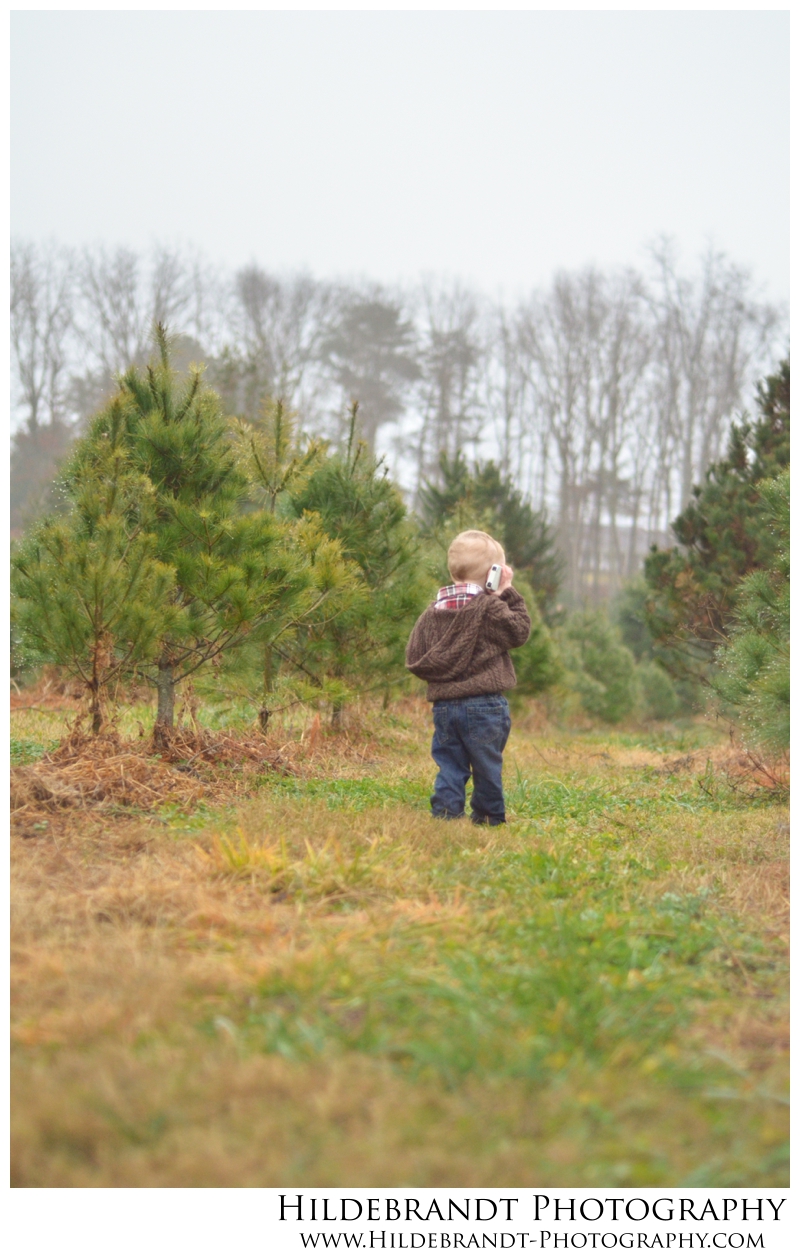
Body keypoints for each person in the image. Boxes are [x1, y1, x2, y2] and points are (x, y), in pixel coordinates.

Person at [405, 529, 531, 825]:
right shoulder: (490, 609)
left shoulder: (432, 612)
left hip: (445, 707)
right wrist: (507, 592)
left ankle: (446, 814)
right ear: (494, 573)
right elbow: (520, 630)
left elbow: (416, 653)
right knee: (486, 766)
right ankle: (488, 818)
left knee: (450, 764)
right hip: (485, 706)